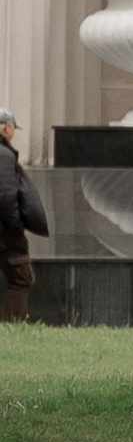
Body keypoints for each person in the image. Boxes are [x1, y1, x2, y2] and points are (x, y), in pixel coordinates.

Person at [0, 110, 40, 322]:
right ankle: (13, 325)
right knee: (22, 278)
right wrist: (16, 224)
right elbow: (6, 196)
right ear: (7, 127)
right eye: (13, 128)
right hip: (6, 232)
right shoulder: (3, 155)